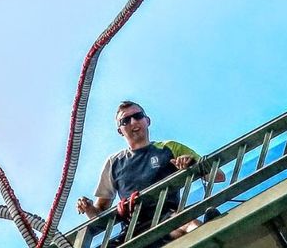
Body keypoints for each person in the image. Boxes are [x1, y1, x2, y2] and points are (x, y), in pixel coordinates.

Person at [76, 101, 225, 244]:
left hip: (169, 220)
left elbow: (218, 176)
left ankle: (213, 238)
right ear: (120, 131)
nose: (133, 122)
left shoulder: (170, 147)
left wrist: (193, 165)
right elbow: (100, 215)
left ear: (147, 120)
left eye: (138, 116)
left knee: (191, 225)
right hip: (132, 231)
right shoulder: (114, 163)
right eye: (125, 120)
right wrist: (88, 208)